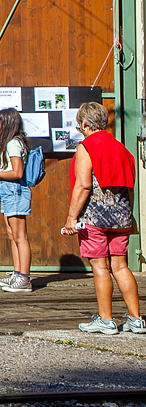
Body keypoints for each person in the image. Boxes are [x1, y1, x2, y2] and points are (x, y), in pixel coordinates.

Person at [63, 102, 144, 334]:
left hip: (95, 218)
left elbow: (83, 185)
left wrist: (71, 218)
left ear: (86, 124)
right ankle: (136, 319)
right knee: (120, 266)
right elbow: (130, 188)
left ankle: (106, 320)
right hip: (121, 216)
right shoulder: (122, 148)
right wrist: (130, 216)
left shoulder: (86, 147)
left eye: (80, 126)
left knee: (100, 267)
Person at [0, 108, 32, 292]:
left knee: (20, 237)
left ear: (7, 123)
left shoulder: (13, 144)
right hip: (9, 191)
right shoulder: (11, 143)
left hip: (15, 190)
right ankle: (17, 274)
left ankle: (24, 278)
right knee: (12, 235)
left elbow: (17, 172)